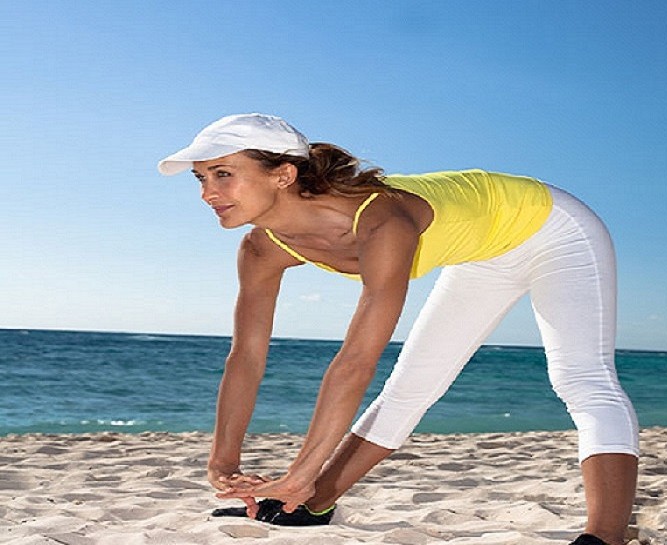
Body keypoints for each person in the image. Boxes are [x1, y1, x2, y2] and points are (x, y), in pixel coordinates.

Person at [158, 113, 639, 545]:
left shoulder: (383, 221)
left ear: (284, 175)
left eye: (223, 174)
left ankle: (606, 535)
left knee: (581, 377)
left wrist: (299, 469)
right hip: (480, 255)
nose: (207, 193)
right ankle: (313, 502)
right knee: (408, 388)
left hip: (550, 228)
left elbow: (356, 360)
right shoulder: (261, 250)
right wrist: (224, 460)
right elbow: (246, 357)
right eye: (201, 178)